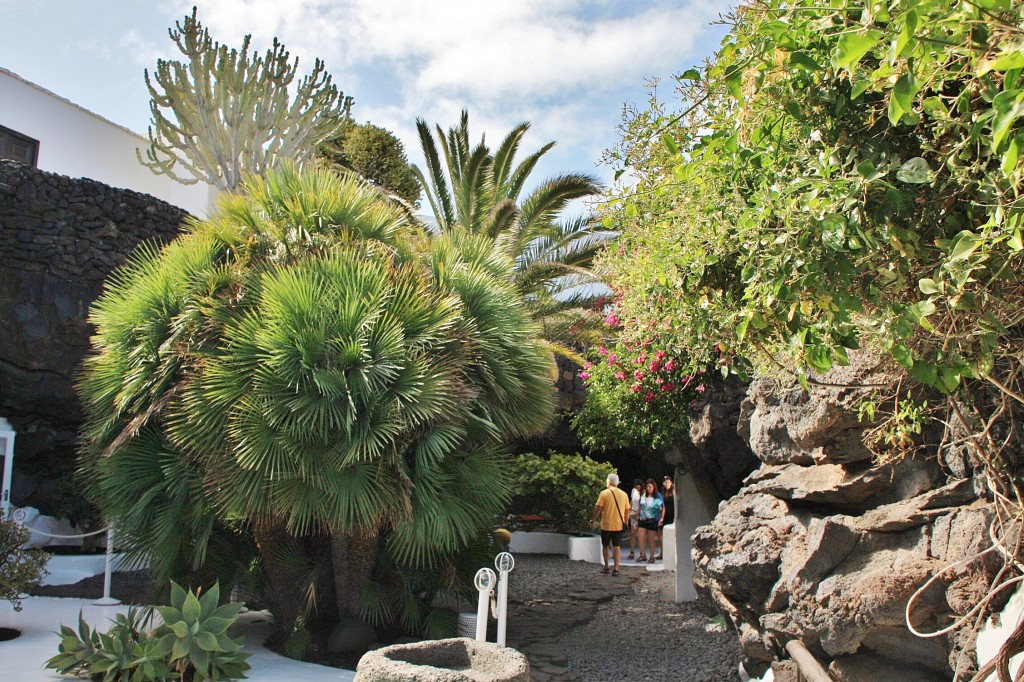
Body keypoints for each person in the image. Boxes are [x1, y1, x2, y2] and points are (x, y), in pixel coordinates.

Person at [590, 473, 630, 576]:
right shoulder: (624, 494)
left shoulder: (604, 493)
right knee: (617, 546)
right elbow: (627, 511)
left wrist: (592, 520)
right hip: (618, 525)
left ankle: (606, 566)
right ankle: (616, 568)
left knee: (605, 546)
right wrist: (626, 522)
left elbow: (598, 509)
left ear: (609, 481)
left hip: (606, 525)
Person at [637, 478, 664, 563]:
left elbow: (662, 508)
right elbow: (640, 506)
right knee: (641, 537)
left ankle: (652, 556)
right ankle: (643, 554)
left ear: (653, 487)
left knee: (651, 539)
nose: (648, 488)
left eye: (650, 487)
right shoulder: (643, 494)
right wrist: (637, 516)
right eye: (647, 486)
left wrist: (661, 518)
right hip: (643, 519)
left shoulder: (658, 496)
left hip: (652, 519)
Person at [657, 475, 676, 560]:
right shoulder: (663, 493)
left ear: (671, 482)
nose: (666, 484)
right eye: (665, 482)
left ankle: (671, 553)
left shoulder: (674, 492)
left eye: (668, 482)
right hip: (664, 515)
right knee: (661, 534)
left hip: (672, 515)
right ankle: (662, 552)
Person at [627, 479, 642, 560]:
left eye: (639, 484)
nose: (637, 486)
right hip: (633, 512)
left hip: (641, 514)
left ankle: (641, 552)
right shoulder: (634, 491)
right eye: (636, 485)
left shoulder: (643, 493)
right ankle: (632, 552)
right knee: (633, 533)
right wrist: (629, 511)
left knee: (641, 534)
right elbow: (631, 501)